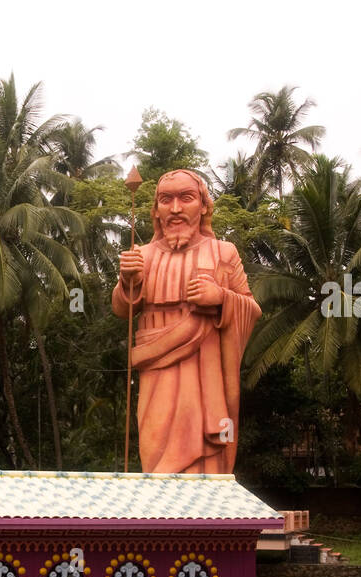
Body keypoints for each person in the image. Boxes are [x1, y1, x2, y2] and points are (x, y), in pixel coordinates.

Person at [112, 168, 261, 474]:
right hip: (156, 369)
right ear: (156, 211)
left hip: (206, 374)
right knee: (155, 448)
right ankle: (161, 516)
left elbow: (252, 308)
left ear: (204, 206)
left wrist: (220, 298)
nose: (176, 208)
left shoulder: (223, 253)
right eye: (166, 200)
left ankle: (207, 514)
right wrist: (128, 281)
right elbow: (123, 311)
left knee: (207, 448)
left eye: (186, 198)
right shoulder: (142, 255)